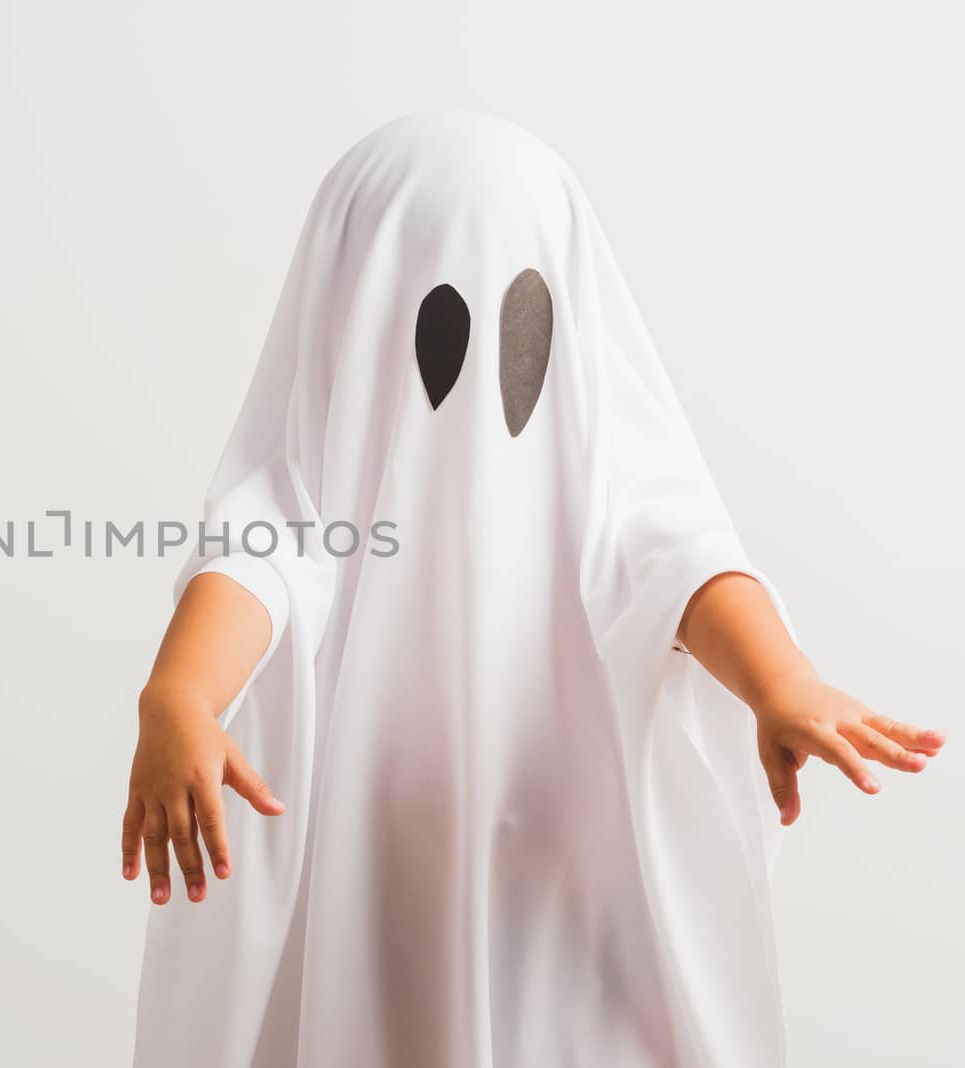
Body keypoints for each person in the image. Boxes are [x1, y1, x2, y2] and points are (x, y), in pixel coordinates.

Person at [120, 110, 945, 1068]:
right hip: (374, 891)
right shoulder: (309, 495)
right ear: (357, 316)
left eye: (523, 319)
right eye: (436, 320)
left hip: (567, 886)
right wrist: (179, 694)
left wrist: (779, 681)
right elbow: (248, 571)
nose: (482, 380)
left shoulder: (605, 480)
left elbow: (683, 560)